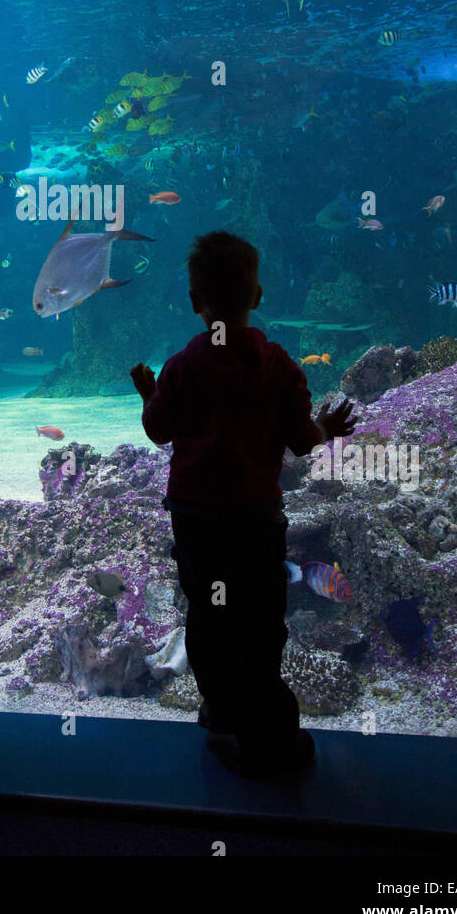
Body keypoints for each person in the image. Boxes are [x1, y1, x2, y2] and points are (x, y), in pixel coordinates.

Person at [131, 231, 357, 779]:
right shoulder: (279, 366)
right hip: (256, 522)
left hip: (198, 522)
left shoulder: (184, 365)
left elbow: (157, 432)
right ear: (257, 296)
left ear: (194, 302)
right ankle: (272, 730)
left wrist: (149, 394)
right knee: (260, 622)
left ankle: (224, 711)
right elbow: (302, 443)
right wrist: (326, 427)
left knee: (209, 617)